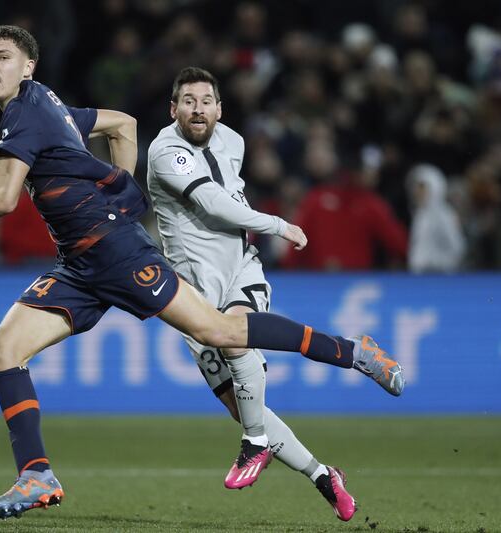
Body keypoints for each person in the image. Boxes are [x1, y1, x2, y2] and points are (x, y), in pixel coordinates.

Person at [0, 25, 404, 522]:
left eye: (4, 57)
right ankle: (36, 475)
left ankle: (355, 352)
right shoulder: (48, 104)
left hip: (117, 253)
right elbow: (122, 123)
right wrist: (121, 186)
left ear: (28, 66)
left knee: (221, 331)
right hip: (79, 264)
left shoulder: (24, 113)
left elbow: (4, 198)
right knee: (2, 351)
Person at [146, 66, 403, 521]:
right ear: (174, 109)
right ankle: (324, 476)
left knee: (236, 338)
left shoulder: (234, 141)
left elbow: (229, 200)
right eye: (188, 100)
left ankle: (350, 354)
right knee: (247, 408)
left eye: (207, 100)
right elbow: (211, 202)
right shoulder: (165, 151)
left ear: (220, 109)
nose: (198, 108)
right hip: (192, 292)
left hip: (241, 271)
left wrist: (267, 228)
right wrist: (277, 224)